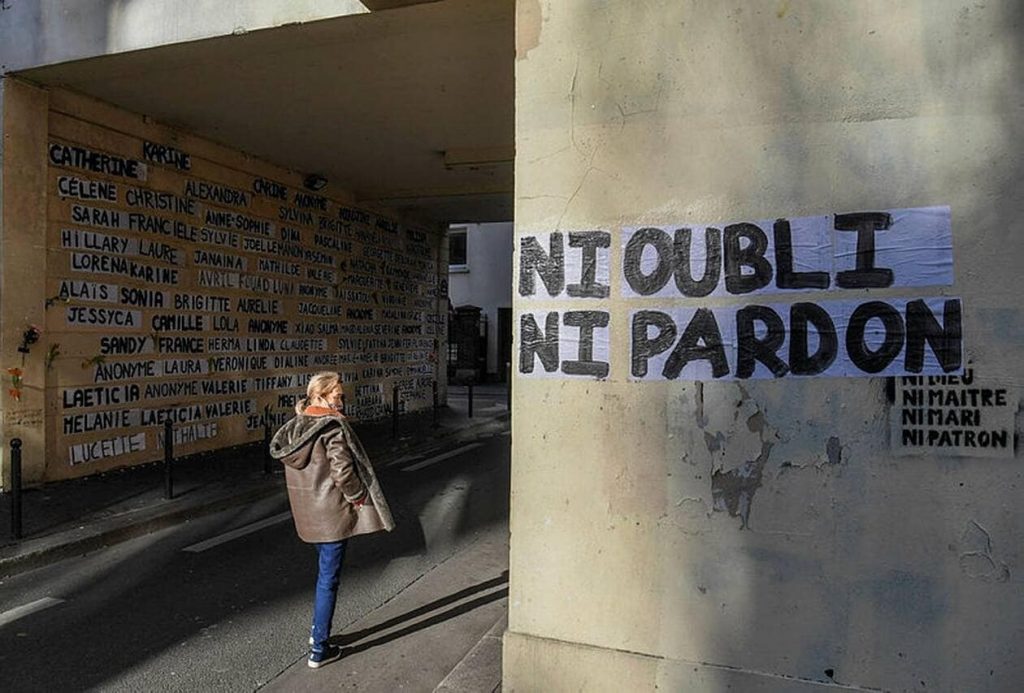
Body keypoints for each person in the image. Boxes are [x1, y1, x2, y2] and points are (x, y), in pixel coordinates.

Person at [270, 372, 394, 669]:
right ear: (320, 396)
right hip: (332, 515)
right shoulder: (332, 428)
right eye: (337, 395)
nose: (342, 400)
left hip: (309, 515)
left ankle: (318, 637)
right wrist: (359, 497)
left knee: (324, 574)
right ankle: (319, 648)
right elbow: (343, 472)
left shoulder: (296, 427)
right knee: (328, 580)